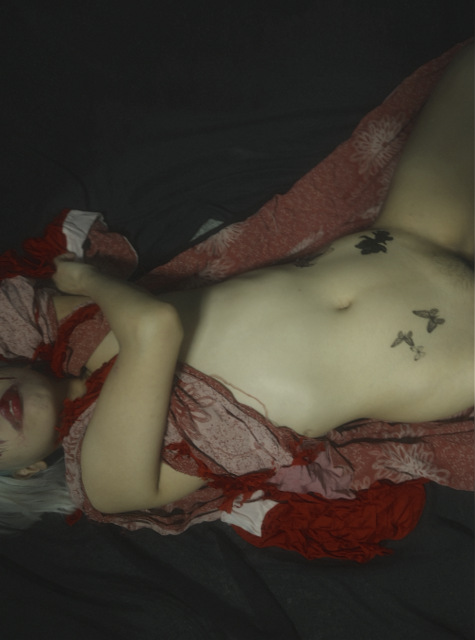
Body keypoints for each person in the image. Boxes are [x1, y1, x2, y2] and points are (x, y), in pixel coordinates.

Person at [0, 43, 472, 550]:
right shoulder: (105, 485)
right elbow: (153, 328)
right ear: (27, 472)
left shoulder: (80, 332)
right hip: (443, 358)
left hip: (406, 238)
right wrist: (87, 281)